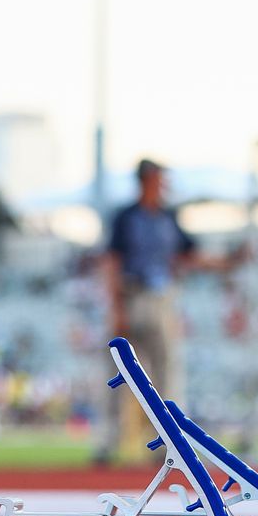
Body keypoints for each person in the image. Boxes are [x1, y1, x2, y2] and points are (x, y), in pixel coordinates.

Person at [94, 158, 223, 464]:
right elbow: (112, 261)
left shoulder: (168, 216)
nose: (164, 186)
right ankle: (109, 441)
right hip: (131, 293)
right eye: (160, 179)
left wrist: (226, 262)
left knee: (167, 373)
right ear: (147, 180)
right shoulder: (126, 217)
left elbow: (190, 255)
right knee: (118, 373)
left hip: (161, 296)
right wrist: (116, 308)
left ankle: (167, 445)